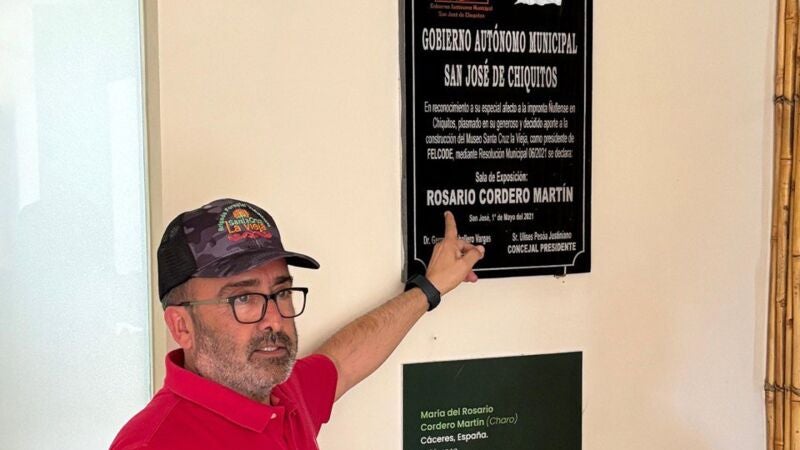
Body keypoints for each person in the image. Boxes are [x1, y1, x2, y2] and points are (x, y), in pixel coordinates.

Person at [110, 198, 484, 450]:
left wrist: (429, 288)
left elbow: (345, 360)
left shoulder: (283, 392)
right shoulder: (154, 443)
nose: (274, 319)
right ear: (182, 327)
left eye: (282, 292)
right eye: (243, 298)